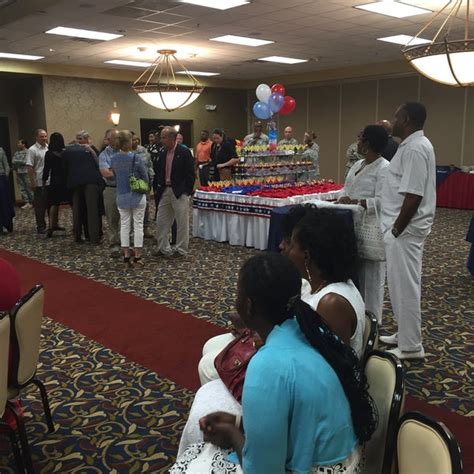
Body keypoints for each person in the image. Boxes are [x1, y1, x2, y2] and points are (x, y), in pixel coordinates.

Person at [172, 253, 376, 473]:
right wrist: (240, 424)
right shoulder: (310, 329)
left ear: (248, 306)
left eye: (238, 292)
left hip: (320, 468)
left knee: (192, 464)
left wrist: (233, 436)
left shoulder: (266, 364)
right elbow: (297, 415)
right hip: (344, 460)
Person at [198, 207, 365, 387]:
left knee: (209, 366)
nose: (283, 249)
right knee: (211, 347)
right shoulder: (318, 285)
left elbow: (327, 372)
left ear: (306, 255)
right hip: (292, 362)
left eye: (291, 245)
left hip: (310, 385)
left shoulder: (331, 303)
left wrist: (266, 343)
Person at [379, 102, 436, 360]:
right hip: (402, 230)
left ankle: (412, 345)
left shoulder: (415, 148)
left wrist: (396, 230)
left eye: (397, 116)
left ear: (408, 119)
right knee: (399, 285)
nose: (394, 121)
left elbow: (413, 195)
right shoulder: (410, 145)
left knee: (406, 286)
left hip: (405, 231)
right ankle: (404, 334)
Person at [338, 125, 390, 323]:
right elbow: (347, 187)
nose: (357, 142)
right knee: (355, 276)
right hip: (351, 226)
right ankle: (357, 318)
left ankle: (373, 321)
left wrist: (360, 202)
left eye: (360, 139)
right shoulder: (357, 164)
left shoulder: (384, 167)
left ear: (368, 143)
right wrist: (343, 197)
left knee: (372, 279)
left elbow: (385, 199)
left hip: (372, 229)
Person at [153, 126, 195, 257]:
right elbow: (158, 171)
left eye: (163, 138)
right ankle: (163, 248)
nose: (161, 140)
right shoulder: (162, 152)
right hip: (164, 190)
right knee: (161, 220)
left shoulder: (184, 152)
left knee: (182, 221)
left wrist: (186, 190)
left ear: (172, 138)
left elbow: (190, 173)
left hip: (179, 191)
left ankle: (181, 249)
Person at [111, 130, 148, 268]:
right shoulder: (136, 158)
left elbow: (115, 177)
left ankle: (126, 256)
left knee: (124, 226)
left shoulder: (114, 159)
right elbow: (145, 177)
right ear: (129, 142)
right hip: (137, 195)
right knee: (138, 225)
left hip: (121, 195)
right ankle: (137, 257)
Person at [63, 138, 103, 244]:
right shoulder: (91, 149)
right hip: (91, 180)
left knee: (77, 210)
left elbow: (64, 167)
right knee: (92, 210)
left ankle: (77, 236)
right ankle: (94, 238)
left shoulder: (67, 151)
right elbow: (98, 163)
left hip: (75, 181)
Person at [42, 132, 70, 238]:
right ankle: (76, 227)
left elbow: (46, 169)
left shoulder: (49, 154)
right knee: (72, 203)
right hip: (66, 180)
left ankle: (51, 226)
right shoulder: (66, 153)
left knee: (53, 204)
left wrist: (44, 182)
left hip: (55, 181)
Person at [99, 129, 121, 257]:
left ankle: (126, 245)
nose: (118, 140)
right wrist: (121, 171)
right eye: (115, 138)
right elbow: (106, 174)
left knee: (126, 218)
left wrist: (114, 170)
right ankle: (114, 245)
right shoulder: (104, 155)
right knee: (112, 219)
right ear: (108, 140)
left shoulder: (125, 152)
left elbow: (132, 171)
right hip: (110, 189)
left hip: (125, 189)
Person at [131, 131, 154, 239]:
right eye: (132, 139)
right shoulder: (125, 152)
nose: (135, 141)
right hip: (130, 184)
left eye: (136, 139)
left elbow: (149, 165)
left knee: (145, 206)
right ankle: (132, 232)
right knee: (131, 208)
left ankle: (145, 228)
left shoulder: (143, 150)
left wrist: (151, 179)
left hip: (144, 183)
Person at [26, 129, 49, 234]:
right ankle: (41, 226)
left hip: (49, 181)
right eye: (42, 137)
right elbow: (29, 167)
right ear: (36, 137)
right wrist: (32, 182)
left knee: (50, 204)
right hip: (38, 182)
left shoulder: (48, 148)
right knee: (40, 207)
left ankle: (52, 224)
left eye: (45, 136)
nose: (44, 138)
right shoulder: (32, 150)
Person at [12, 139, 33, 209]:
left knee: (28, 186)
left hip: (26, 171)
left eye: (19, 143)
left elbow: (25, 161)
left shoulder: (28, 152)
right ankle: (26, 201)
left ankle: (32, 201)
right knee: (22, 187)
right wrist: (16, 163)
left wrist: (17, 161)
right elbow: (13, 161)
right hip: (19, 171)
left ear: (24, 144)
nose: (18, 144)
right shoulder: (17, 153)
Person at [0, 146, 14, 234]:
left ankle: (6, 224)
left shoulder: (1, 150)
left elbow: (7, 167)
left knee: (4, 202)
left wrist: (5, 178)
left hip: (1, 179)